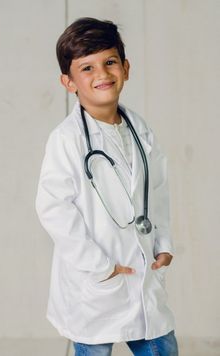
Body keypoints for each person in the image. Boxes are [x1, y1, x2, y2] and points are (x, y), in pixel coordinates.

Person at [35, 17, 178, 356]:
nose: (102, 74)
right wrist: (101, 265)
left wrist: (164, 241)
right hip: (95, 283)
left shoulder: (139, 128)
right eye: (87, 68)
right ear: (68, 82)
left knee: (162, 349)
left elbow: (156, 189)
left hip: (143, 274)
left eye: (110, 62)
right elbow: (53, 208)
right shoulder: (66, 140)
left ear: (126, 68)